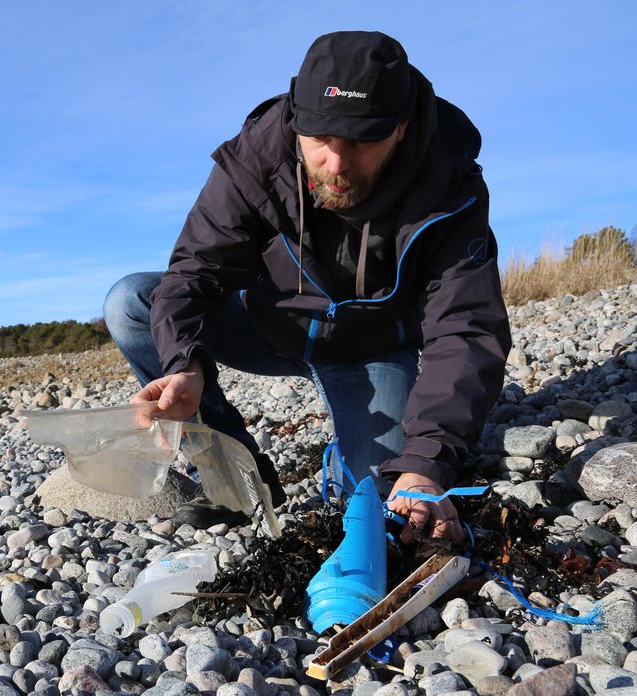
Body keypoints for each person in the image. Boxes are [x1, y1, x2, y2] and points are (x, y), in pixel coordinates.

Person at [103, 31, 511, 544]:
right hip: (270, 324)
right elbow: (195, 273)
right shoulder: (257, 155)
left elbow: (466, 327)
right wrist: (186, 365)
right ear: (297, 122)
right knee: (131, 301)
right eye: (320, 140)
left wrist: (428, 462)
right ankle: (238, 481)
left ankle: (353, 465)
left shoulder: (449, 182)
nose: (337, 164)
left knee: (376, 504)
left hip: (373, 349)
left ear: (401, 127)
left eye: (362, 142)